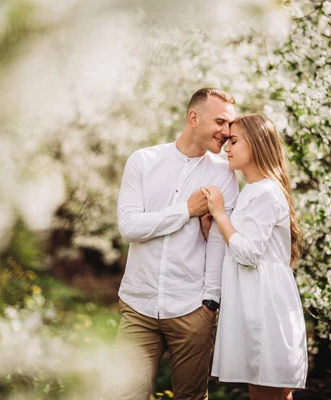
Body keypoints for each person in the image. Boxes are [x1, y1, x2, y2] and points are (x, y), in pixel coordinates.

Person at [114, 88, 239, 400]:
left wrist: (210, 303)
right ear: (193, 117)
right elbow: (129, 226)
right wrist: (186, 210)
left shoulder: (224, 174)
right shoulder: (143, 161)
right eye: (220, 122)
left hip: (191, 309)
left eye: (229, 124)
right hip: (138, 307)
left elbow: (218, 244)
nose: (226, 132)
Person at [201, 114, 308, 400]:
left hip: (264, 305)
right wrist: (216, 222)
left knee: (268, 392)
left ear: (258, 144)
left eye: (234, 141)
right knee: (263, 391)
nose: (227, 148)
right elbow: (239, 243)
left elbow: (248, 254)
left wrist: (221, 214)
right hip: (252, 300)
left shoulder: (266, 193)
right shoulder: (252, 190)